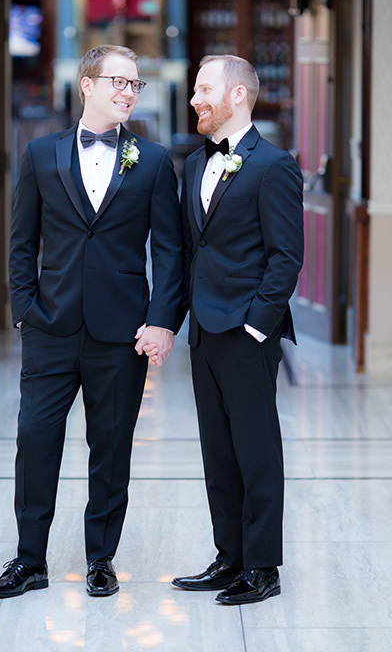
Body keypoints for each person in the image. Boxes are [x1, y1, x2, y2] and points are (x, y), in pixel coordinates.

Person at [0, 45, 183, 599]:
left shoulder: (155, 160)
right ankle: (29, 560)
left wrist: (161, 320)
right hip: (49, 326)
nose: (128, 92)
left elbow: (169, 251)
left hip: (121, 334)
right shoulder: (41, 154)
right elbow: (22, 241)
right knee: (36, 440)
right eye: (119, 81)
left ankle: (101, 558)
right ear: (87, 84)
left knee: (112, 447)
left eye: (135, 85)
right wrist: (24, 308)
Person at [172, 55, 303, 605]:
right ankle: (229, 557)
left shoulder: (274, 166)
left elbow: (286, 258)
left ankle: (263, 567)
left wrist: (256, 327)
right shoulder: (195, 165)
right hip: (203, 333)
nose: (196, 99)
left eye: (206, 90)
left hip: (247, 333)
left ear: (239, 96)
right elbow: (188, 249)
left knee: (256, 449)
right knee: (217, 450)